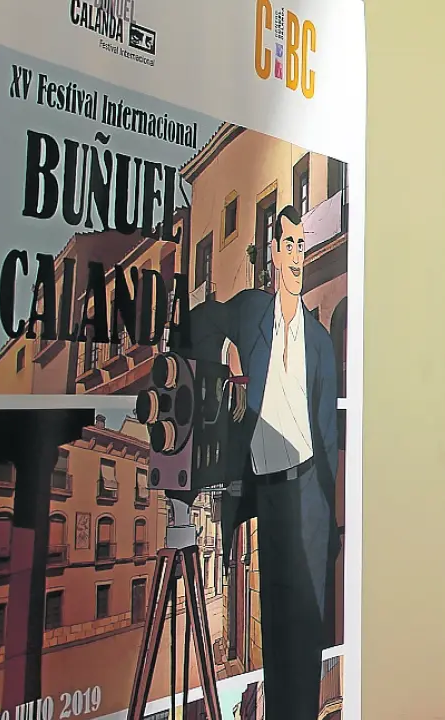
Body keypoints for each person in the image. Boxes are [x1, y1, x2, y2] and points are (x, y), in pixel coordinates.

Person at [188, 205, 340, 718]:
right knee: (274, 618)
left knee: (307, 625)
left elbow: (328, 434)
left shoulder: (321, 343)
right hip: (267, 489)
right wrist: (215, 382)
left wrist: (329, 517)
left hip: (308, 491)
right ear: (273, 253)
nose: (296, 256)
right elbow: (201, 322)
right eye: (288, 245)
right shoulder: (252, 310)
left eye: (301, 246)